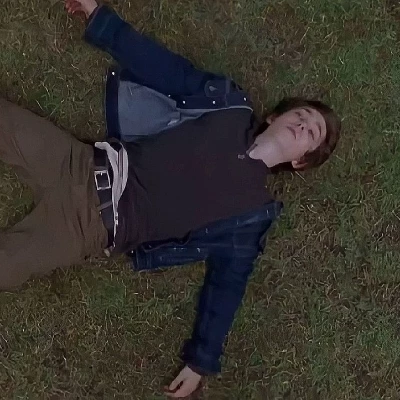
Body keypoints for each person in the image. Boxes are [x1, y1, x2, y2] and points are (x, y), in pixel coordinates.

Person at [0, 0, 341, 397]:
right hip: (79, 162)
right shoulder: (229, 105)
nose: (303, 124)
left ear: (300, 162)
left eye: (312, 132)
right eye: (302, 115)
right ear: (275, 116)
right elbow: (163, 67)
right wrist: (98, 17)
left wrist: (201, 361)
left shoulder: (251, 217)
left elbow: (227, 287)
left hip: (89, 226)